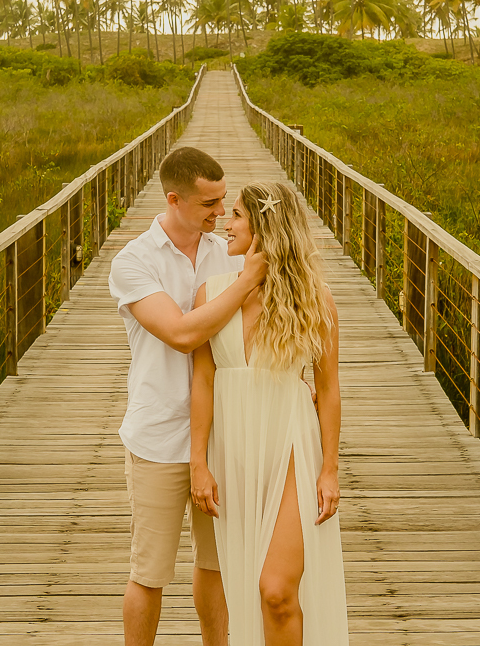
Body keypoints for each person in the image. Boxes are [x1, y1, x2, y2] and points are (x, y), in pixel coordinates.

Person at [108, 146, 268, 646]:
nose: (221, 214)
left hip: (226, 430)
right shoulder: (133, 262)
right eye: (209, 204)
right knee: (150, 572)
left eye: (224, 202)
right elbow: (179, 334)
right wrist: (244, 284)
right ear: (174, 200)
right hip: (158, 435)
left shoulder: (228, 251)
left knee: (216, 563)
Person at [189, 181, 349, 645]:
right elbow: (202, 381)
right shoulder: (211, 294)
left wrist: (330, 471)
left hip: (290, 442)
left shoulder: (314, 300)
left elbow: (328, 389)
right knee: (246, 588)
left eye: (236, 214)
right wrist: (199, 462)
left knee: (276, 591)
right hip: (233, 448)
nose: (225, 222)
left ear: (264, 226)